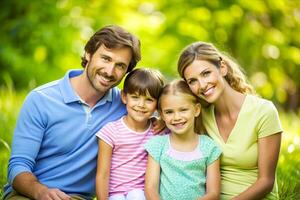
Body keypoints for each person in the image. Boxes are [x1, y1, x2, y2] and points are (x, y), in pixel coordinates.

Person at [4, 25, 141, 200]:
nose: (109, 71)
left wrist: (159, 123)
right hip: (28, 194)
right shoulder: (41, 99)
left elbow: (169, 118)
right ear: (88, 54)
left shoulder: (125, 107)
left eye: (120, 65)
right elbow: (18, 166)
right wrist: (41, 192)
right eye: (106, 58)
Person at [177, 41, 283, 199]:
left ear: (222, 67)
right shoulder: (200, 115)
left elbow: (266, 182)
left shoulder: (263, 111)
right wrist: (158, 122)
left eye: (206, 73)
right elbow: (172, 115)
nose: (202, 85)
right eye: (192, 81)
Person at [144, 79, 222, 200]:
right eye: (169, 112)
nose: (177, 117)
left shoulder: (209, 147)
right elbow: (150, 188)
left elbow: (213, 193)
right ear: (162, 115)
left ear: (196, 110)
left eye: (183, 110)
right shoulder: (158, 145)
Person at [95, 68, 165, 200]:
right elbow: (102, 174)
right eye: (135, 97)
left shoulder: (158, 131)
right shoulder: (110, 131)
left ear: (157, 104)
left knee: (136, 195)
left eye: (149, 100)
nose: (141, 105)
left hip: (143, 194)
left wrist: (164, 121)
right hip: (114, 195)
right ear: (124, 97)